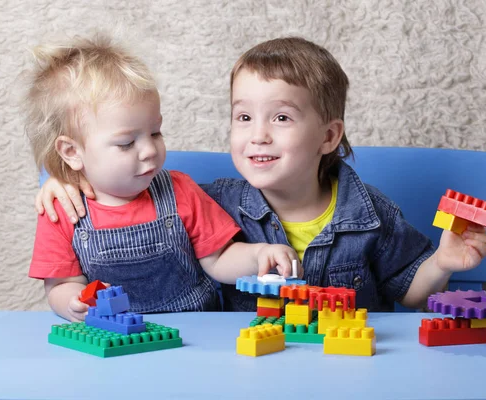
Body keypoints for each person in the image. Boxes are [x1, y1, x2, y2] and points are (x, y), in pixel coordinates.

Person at [34, 37, 486, 313]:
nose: (259, 137)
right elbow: (131, 193)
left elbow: (410, 293)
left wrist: (442, 264)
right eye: (244, 118)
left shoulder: (370, 212)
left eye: (282, 119)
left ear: (329, 136)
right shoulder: (215, 201)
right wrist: (65, 177)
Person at [23, 33, 299, 322]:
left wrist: (258, 256)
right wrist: (73, 302)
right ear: (72, 151)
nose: (148, 151)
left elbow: (218, 260)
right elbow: (60, 284)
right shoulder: (62, 211)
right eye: (127, 143)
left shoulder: (180, 190)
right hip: (114, 338)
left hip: (193, 332)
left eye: (155, 133)